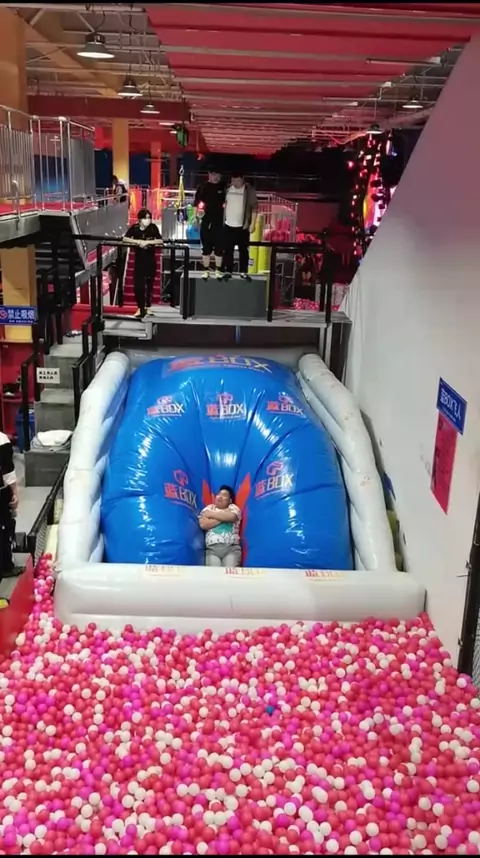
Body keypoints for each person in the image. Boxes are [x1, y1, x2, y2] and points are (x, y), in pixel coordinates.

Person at [123, 208, 163, 318]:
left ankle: (148, 307)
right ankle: (140, 308)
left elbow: (160, 240)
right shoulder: (135, 228)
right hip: (139, 261)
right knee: (138, 286)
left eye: (149, 217)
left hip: (150, 260)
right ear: (140, 219)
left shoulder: (153, 227)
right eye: (146, 218)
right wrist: (137, 242)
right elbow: (125, 239)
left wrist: (147, 242)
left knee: (149, 285)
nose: (148, 220)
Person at [223, 172, 258, 281]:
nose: (235, 183)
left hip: (242, 226)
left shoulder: (248, 190)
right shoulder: (228, 189)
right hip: (228, 225)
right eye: (233, 180)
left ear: (242, 179)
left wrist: (253, 223)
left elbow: (254, 207)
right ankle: (228, 270)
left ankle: (243, 271)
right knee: (228, 250)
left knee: (243, 250)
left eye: (238, 180)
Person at [193, 166, 226, 280]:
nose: (216, 177)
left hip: (219, 222)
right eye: (214, 174)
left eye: (218, 175)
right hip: (206, 221)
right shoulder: (202, 187)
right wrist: (195, 218)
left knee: (219, 248)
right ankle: (206, 271)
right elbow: (196, 203)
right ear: (209, 174)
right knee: (206, 248)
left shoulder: (223, 187)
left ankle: (218, 270)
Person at [199, 485, 242, 567]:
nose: (220, 497)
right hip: (212, 549)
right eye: (219, 494)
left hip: (231, 548)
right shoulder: (209, 508)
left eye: (224, 495)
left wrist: (211, 515)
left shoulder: (233, 507)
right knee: (214, 574)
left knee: (229, 573)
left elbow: (232, 517)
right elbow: (203, 524)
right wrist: (224, 518)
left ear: (230, 500)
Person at [0, 432, 18, 578]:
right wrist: (14, 494)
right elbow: (8, 472)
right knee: (4, 528)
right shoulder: (1, 440)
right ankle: (6, 567)